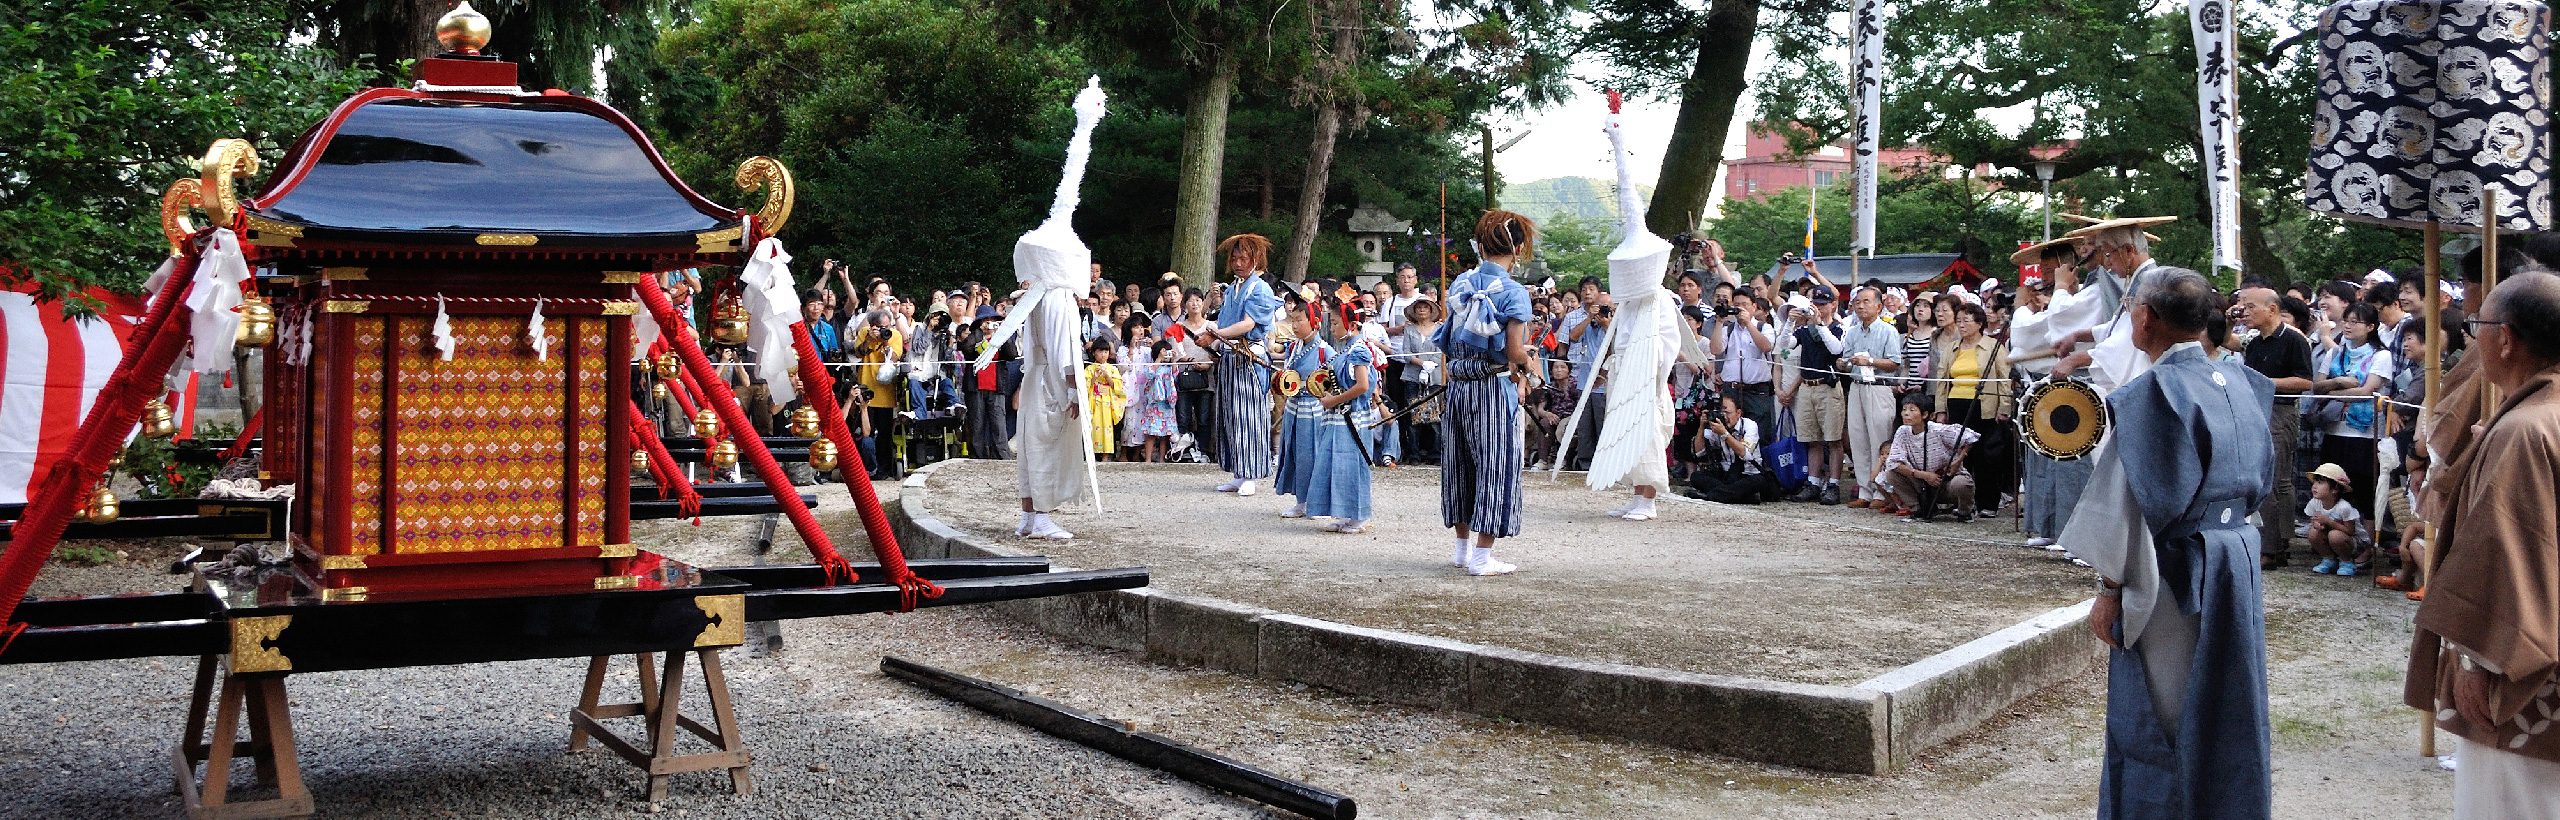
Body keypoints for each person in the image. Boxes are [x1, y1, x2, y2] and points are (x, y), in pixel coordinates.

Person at [2068, 268, 2274, 820]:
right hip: (2237, 558)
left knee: (2165, 712)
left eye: (2134, 307)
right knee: (2228, 702)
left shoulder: (2153, 394)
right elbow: (2263, 480)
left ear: (2146, 318)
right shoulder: (2245, 382)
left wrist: (2109, 587)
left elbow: (2129, 503)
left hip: (2177, 567)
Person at [2405, 270, 2560, 814]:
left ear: (2507, 338)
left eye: (2477, 326)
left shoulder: (2526, 430)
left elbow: (2506, 554)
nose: (2474, 338)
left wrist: (2474, 660)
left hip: (2526, 667)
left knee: (2514, 802)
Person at [985, 77, 1107, 541]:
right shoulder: (1055, 300)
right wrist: (1075, 393)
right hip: (1051, 381)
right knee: (1046, 445)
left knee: (1032, 445)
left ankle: (1028, 513)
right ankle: (1038, 517)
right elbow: (1062, 353)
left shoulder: (1034, 298)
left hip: (1036, 378)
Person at [1434, 209, 1540, 576]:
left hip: (1460, 387)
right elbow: (1513, 351)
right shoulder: (1513, 292)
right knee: (1495, 465)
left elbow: (1447, 342)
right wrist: (1530, 363)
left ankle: (1462, 550)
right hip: (1492, 388)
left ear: (1481, 245)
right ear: (1520, 246)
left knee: (1460, 464)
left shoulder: (1461, 284)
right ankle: (1482, 556)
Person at [2233, 286, 2315, 568]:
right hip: (2256, 411)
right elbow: (2224, 341)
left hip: (2281, 411)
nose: (2247, 312)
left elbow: (2306, 381)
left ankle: (2274, 546)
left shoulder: (2294, 339)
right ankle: (2274, 542)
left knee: (2275, 479)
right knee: (2266, 478)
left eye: (2251, 307)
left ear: (2272, 308)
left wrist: (2266, 383)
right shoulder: (2254, 342)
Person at [1201, 234, 1284, 497]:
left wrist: (1215, 334)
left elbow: (1248, 324)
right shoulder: (1233, 289)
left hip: (1249, 358)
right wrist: (1214, 342)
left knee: (1249, 416)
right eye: (1234, 258)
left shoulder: (1260, 289)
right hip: (1229, 356)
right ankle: (1238, 471)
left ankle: (1251, 473)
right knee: (1229, 416)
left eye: (1243, 258)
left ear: (1254, 260)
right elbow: (1225, 323)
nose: (1237, 263)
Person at [1297, 297, 1383, 532]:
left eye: (1335, 323)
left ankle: (1359, 515)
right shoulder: (1347, 350)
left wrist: (1333, 399)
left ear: (1352, 325)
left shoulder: (1359, 351)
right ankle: (1346, 513)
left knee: (1352, 463)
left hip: (1353, 417)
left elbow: (1363, 386)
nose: (1332, 328)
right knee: (1339, 463)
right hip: (1339, 416)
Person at [1929, 301, 2012, 516]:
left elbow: (2004, 379)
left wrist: (2004, 407)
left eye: (1967, 320)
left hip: (1984, 405)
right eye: (1959, 321)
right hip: (1956, 402)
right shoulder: (1952, 348)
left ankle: (1988, 503)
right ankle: (1963, 501)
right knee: (1960, 455)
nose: (1962, 325)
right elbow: (1942, 380)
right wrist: (1940, 410)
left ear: (1979, 322)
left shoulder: (1994, 347)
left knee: (1986, 455)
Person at [2314, 301, 2390, 524]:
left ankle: (2365, 544)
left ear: (2371, 327)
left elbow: (2367, 391)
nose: (2348, 326)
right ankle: (2333, 543)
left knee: (2364, 489)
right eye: (2346, 320)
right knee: (2332, 488)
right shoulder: (2336, 351)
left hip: (2365, 433)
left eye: (2355, 322)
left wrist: (2333, 390)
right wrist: (2339, 382)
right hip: (2334, 428)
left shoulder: (2381, 355)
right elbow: (2317, 386)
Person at [1781, 289, 1849, 504]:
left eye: (1823, 303)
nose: (1819, 308)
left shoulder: (1838, 328)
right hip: (1807, 387)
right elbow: (1785, 345)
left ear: (1833, 305)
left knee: (1833, 438)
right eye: (1815, 304)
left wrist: (1820, 324)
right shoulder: (1805, 330)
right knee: (1812, 439)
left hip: (1828, 387)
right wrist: (1790, 323)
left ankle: (1834, 484)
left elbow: (1836, 349)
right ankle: (1813, 481)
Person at [1839, 286, 1904, 509]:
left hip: (1879, 386)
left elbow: (1895, 362)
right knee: (1857, 439)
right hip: (1857, 385)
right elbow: (1846, 359)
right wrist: (1843, 363)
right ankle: (1864, 490)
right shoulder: (1853, 331)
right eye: (1857, 302)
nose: (1861, 306)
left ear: (1878, 305)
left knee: (1879, 439)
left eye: (1866, 301)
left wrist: (1871, 361)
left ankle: (1882, 490)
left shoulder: (1888, 331)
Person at [1883, 396, 1979, 521]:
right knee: (1891, 474)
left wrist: (1958, 460)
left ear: (1925, 414)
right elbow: (1893, 462)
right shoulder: (1902, 431)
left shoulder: (1938, 429)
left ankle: (1965, 511)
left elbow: (1970, 437)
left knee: (1961, 483)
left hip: (1946, 480)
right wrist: (1923, 475)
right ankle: (1920, 508)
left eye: (1912, 410)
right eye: (1904, 409)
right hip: (1922, 482)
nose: (1906, 413)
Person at [1683, 394, 1774, 504]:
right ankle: (1742, 497)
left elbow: (1744, 453)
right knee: (1696, 477)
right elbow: (1699, 452)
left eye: (1728, 413)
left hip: (1749, 474)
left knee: (1757, 481)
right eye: (1722, 412)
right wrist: (1702, 426)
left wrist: (1724, 434)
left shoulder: (1749, 425)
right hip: (1727, 475)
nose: (1724, 417)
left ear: (1738, 413)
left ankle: (1711, 496)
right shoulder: (1717, 425)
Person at [2300, 463, 2367, 576]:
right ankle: (2329, 559)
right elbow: (2313, 520)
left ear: (2335, 489)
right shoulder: (2314, 503)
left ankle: (2346, 561)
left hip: (2351, 542)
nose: (2314, 486)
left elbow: (2351, 531)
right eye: (2315, 482)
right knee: (2313, 533)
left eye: (2320, 483)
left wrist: (2329, 522)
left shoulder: (2343, 507)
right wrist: (2318, 525)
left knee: (2335, 535)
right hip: (2330, 536)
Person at [1084, 339, 1128, 460]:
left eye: (1106, 352)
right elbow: (1085, 386)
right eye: (1100, 352)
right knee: (1094, 426)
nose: (1103, 355)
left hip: (1108, 401)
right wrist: (1094, 378)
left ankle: (1105, 455)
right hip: (1094, 401)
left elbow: (1117, 386)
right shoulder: (1089, 369)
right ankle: (1091, 454)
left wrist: (1107, 376)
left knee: (1107, 428)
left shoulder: (1112, 369)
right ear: (1094, 353)